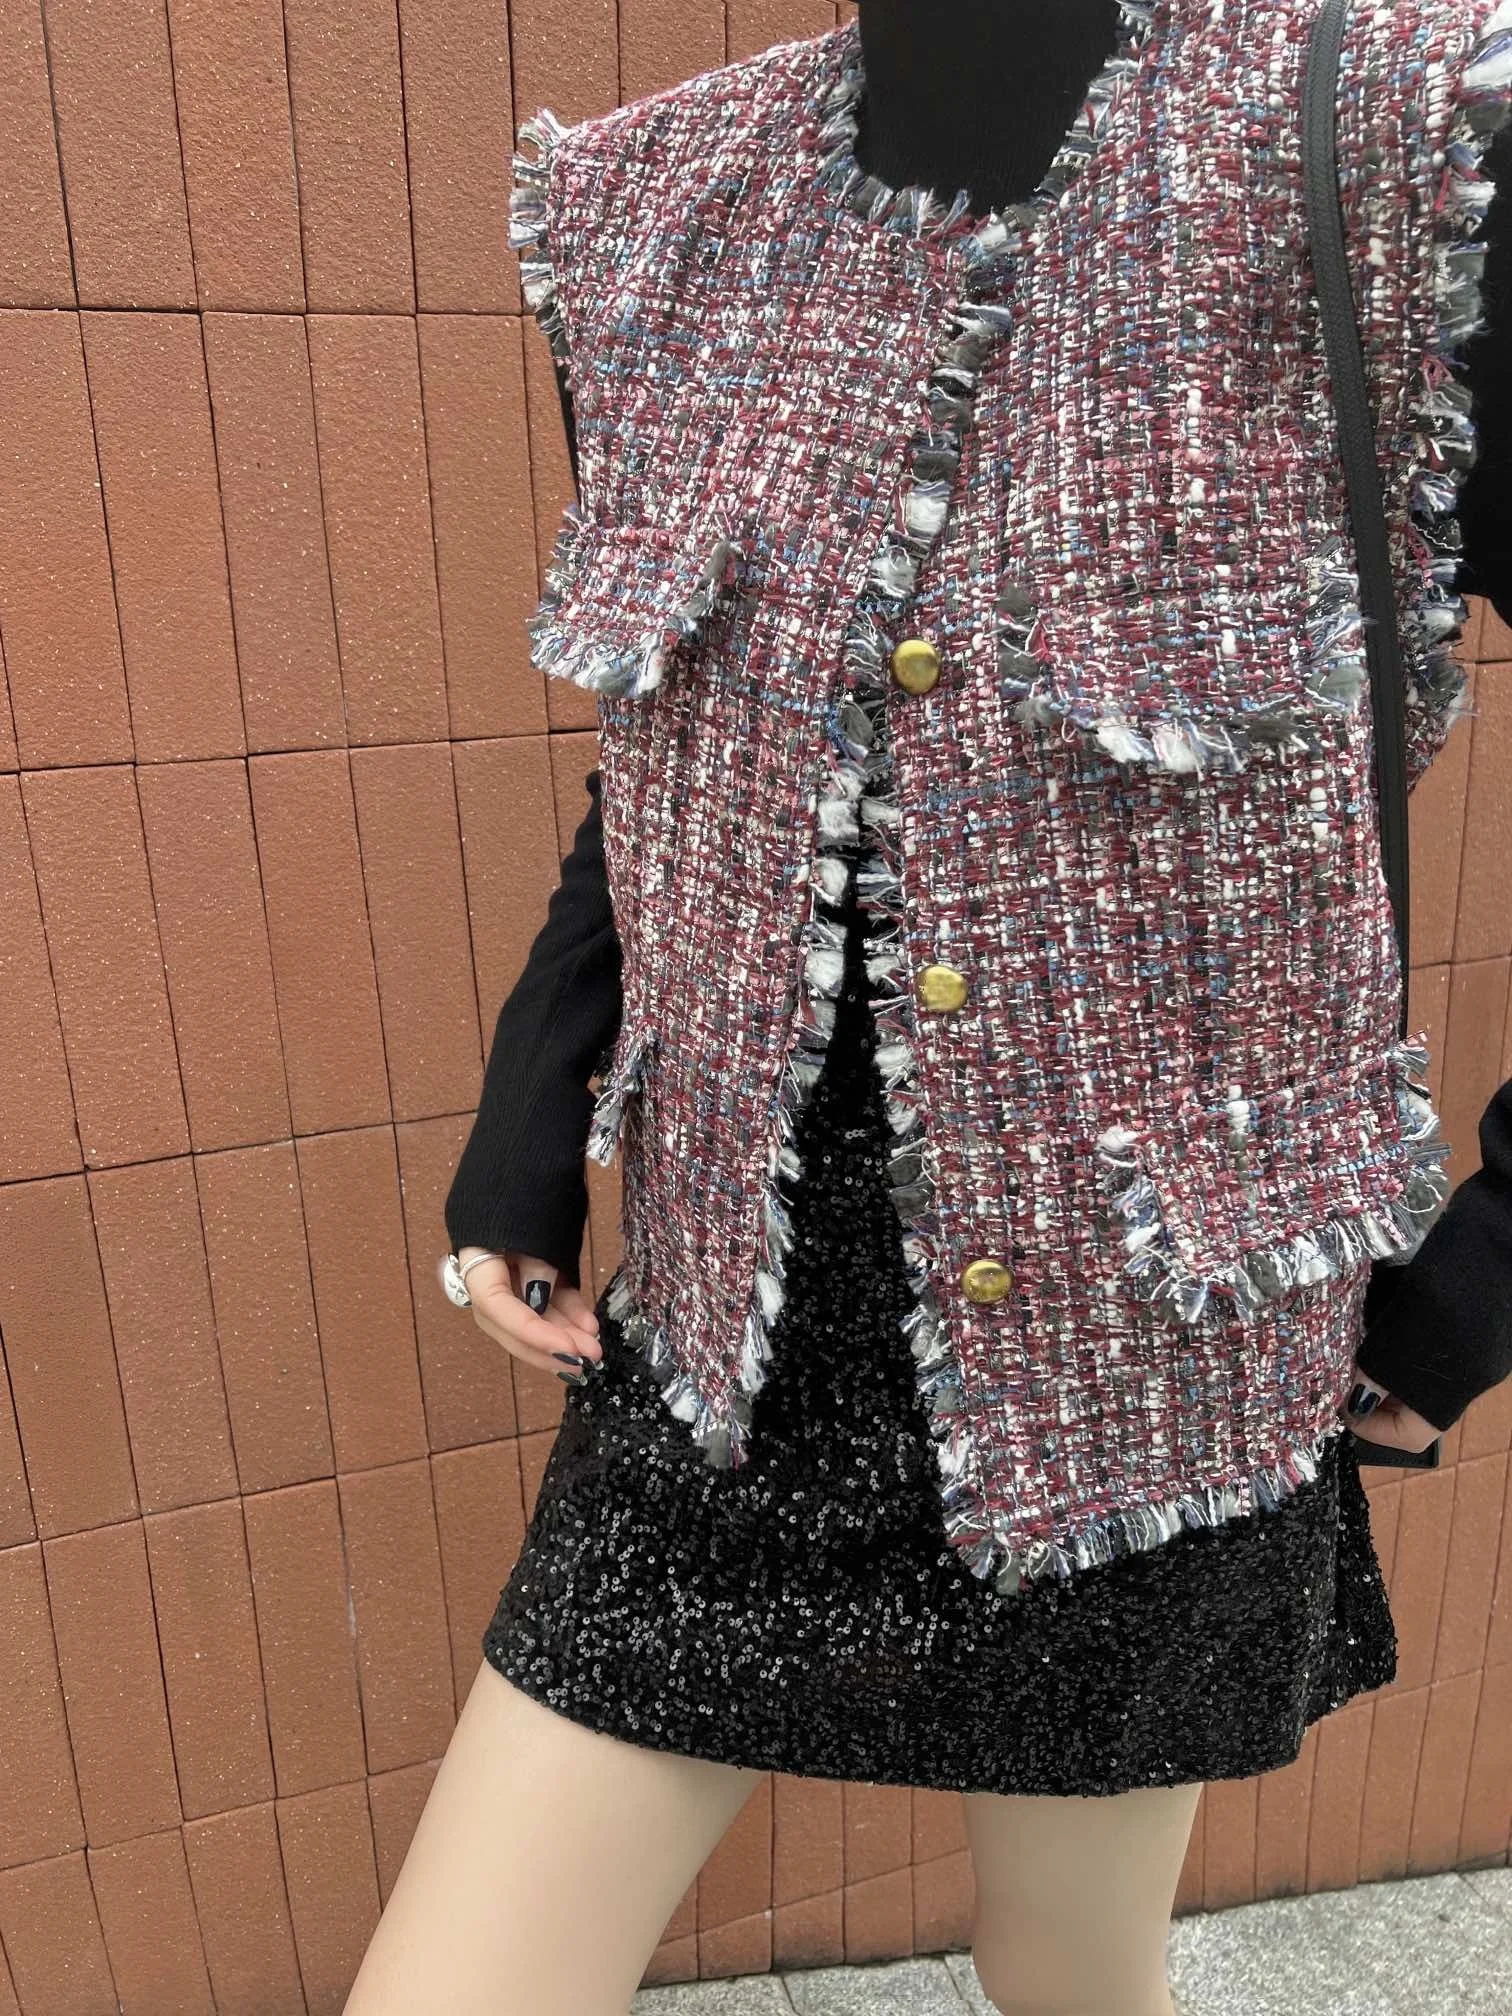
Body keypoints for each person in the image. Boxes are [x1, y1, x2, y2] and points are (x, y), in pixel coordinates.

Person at [345, 4, 1512, 2012]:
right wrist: (532, 1109)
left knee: (1069, 1973)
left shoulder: (1383, 140)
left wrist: (1489, 1270)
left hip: (1155, 1382)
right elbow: (687, 743)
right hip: (727, 1362)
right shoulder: (668, 204)